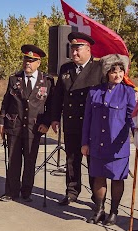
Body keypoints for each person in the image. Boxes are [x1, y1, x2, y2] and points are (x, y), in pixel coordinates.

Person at [50, 32, 104, 206]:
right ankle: (72, 192)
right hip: (72, 122)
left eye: (77, 49)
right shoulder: (66, 69)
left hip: (92, 125)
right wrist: (55, 118)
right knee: (72, 159)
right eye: (72, 49)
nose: (74, 53)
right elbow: (58, 96)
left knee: (93, 161)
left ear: (88, 50)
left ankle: (97, 198)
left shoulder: (99, 69)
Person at [81, 54, 135, 226]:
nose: (117, 75)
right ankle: (99, 210)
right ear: (106, 73)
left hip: (117, 146)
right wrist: (85, 143)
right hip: (97, 143)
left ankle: (113, 212)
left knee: (117, 178)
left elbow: (131, 117)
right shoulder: (94, 92)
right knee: (98, 177)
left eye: (120, 71)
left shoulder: (128, 92)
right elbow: (87, 120)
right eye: (113, 72)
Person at [0, 45, 54, 202]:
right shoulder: (14, 78)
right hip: (14, 125)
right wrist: (1, 122)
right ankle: (11, 192)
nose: (27, 63)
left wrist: (47, 123)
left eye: (31, 61)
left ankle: (27, 191)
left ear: (38, 63)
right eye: (25, 60)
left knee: (30, 160)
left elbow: (50, 105)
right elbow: (6, 102)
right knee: (13, 160)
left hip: (34, 127)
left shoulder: (47, 81)